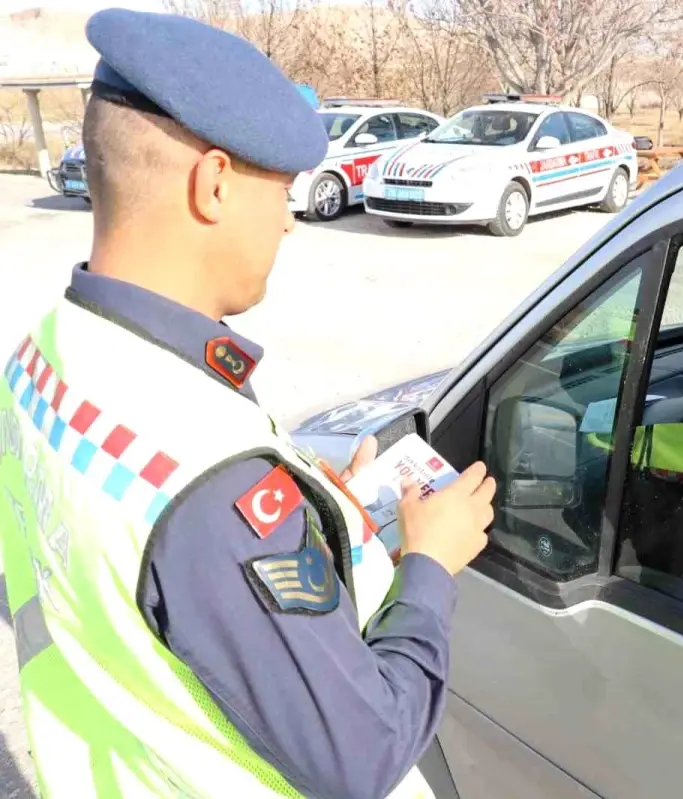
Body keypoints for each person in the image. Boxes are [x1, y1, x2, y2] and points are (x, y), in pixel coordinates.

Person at [0, 9, 494, 799]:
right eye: (282, 190)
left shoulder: (40, 359)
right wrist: (430, 567)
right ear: (215, 183)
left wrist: (321, 518)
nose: (291, 221)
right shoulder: (211, 490)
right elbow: (362, 755)